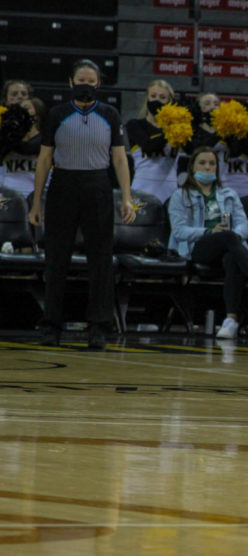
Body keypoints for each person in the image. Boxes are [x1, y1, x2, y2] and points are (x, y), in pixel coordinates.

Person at [27, 59, 136, 349]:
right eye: (81, 80)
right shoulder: (57, 114)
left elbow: (119, 158)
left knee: (101, 260)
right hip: (63, 186)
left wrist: (126, 197)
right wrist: (36, 202)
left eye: (92, 80)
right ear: (71, 83)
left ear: (98, 84)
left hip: (98, 185)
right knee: (56, 260)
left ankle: (99, 326)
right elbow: (45, 159)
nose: (86, 85)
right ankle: (51, 324)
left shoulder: (110, 114)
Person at [168, 146, 248, 338]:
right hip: (199, 247)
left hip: (228, 247)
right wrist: (209, 231)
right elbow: (179, 230)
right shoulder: (181, 195)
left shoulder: (229, 194)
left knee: (232, 258)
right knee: (229, 238)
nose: (208, 167)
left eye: (212, 163)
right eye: (203, 163)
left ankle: (230, 320)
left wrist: (232, 236)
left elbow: (243, 226)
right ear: (192, 168)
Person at [189, 93, 248, 198]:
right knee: (217, 213)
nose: (212, 107)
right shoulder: (196, 131)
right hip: (208, 185)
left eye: (216, 104)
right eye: (207, 103)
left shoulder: (229, 131)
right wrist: (220, 133)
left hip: (233, 187)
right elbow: (196, 150)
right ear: (199, 108)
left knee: (231, 214)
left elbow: (236, 151)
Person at [126, 80, 181, 204]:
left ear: (170, 101)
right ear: (147, 99)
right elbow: (149, 147)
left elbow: (192, 149)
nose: (157, 100)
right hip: (142, 188)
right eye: (153, 96)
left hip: (170, 190)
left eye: (162, 97)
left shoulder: (180, 128)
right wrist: (172, 128)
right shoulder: (135, 125)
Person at [0, 97, 45, 197]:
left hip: (35, 193)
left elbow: (28, 149)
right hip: (8, 194)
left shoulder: (45, 138)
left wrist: (8, 138)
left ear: (37, 114)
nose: (21, 111)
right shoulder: (9, 135)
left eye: (26, 108)